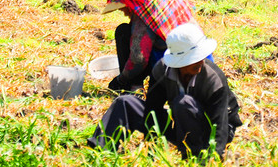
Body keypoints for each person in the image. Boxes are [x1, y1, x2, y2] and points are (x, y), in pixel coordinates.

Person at [88, 22, 241, 159]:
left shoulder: (213, 78)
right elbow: (152, 111)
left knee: (184, 103)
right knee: (125, 102)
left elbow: (220, 124)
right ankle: (100, 150)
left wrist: (213, 155)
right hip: (179, 123)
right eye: (195, 58)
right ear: (179, 62)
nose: (200, 61)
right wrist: (151, 148)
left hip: (210, 130)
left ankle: (193, 156)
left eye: (201, 57)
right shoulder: (162, 71)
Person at [102, 0, 196, 92]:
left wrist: (121, 79)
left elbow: (138, 59)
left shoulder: (144, 11)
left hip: (172, 66)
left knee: (123, 32)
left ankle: (133, 88)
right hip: (195, 58)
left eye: (122, 8)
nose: (124, 13)